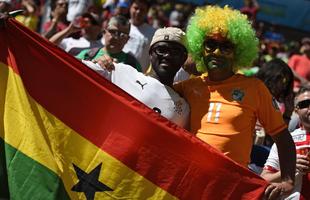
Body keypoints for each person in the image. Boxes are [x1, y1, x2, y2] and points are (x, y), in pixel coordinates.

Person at [173, 6, 296, 199]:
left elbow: (282, 136)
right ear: (200, 48)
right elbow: (151, 93)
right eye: (210, 44)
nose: (217, 52)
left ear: (238, 52)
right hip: (190, 181)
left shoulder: (254, 88)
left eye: (226, 47)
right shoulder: (188, 86)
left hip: (230, 188)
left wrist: (288, 180)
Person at [82, 27, 189, 128]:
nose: (167, 55)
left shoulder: (183, 109)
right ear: (151, 54)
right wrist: (97, 63)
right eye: (161, 50)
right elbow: (72, 67)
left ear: (183, 58)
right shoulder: (119, 71)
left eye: (175, 52)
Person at [261, 87, 310, 199]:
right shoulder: (286, 140)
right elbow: (264, 179)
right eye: (305, 104)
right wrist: (289, 169)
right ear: (296, 110)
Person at [76, 15, 142, 72]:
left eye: (122, 35)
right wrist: (92, 65)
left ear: (127, 39)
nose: (116, 38)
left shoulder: (134, 65)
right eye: (113, 32)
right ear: (104, 32)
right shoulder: (87, 55)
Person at [122, 0, 156, 73]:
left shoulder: (153, 33)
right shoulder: (121, 26)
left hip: (138, 77)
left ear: (147, 12)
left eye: (142, 10)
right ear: (130, 8)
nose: (138, 12)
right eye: (136, 8)